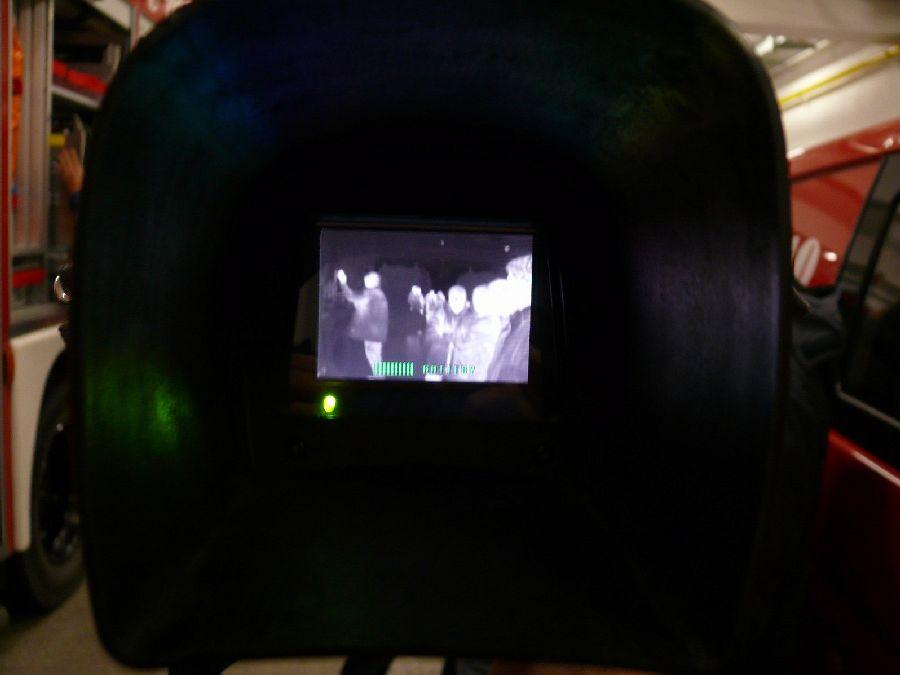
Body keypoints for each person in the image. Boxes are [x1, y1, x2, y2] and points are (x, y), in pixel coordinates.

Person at [486, 255, 532, 382]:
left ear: (527, 284)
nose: (507, 284)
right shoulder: (514, 321)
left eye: (511, 278)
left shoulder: (528, 329)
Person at [336, 269, 389, 375]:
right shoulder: (380, 294)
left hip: (371, 334)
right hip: (375, 334)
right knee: (374, 356)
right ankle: (378, 377)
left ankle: (379, 378)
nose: (365, 279)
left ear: (375, 281)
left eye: (369, 278)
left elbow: (351, 297)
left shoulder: (370, 294)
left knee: (373, 356)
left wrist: (343, 282)